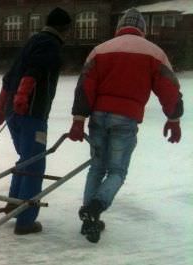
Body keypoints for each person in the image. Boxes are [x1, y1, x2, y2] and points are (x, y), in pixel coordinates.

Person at [68, 8, 183, 243]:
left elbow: (84, 87)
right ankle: (95, 208)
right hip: (126, 118)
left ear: (119, 27)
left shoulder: (100, 50)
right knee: (117, 171)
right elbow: (169, 88)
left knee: (97, 168)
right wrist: (173, 118)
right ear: (142, 28)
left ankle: (89, 217)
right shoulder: (154, 53)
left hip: (98, 117)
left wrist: (79, 119)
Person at [0, 7, 72, 235]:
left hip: (14, 112)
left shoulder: (33, 41)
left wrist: (1, 105)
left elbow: (9, 76)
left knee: (26, 160)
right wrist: (22, 97)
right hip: (30, 113)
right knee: (34, 165)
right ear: (65, 29)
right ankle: (25, 220)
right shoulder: (50, 45)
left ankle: (14, 204)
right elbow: (33, 72)